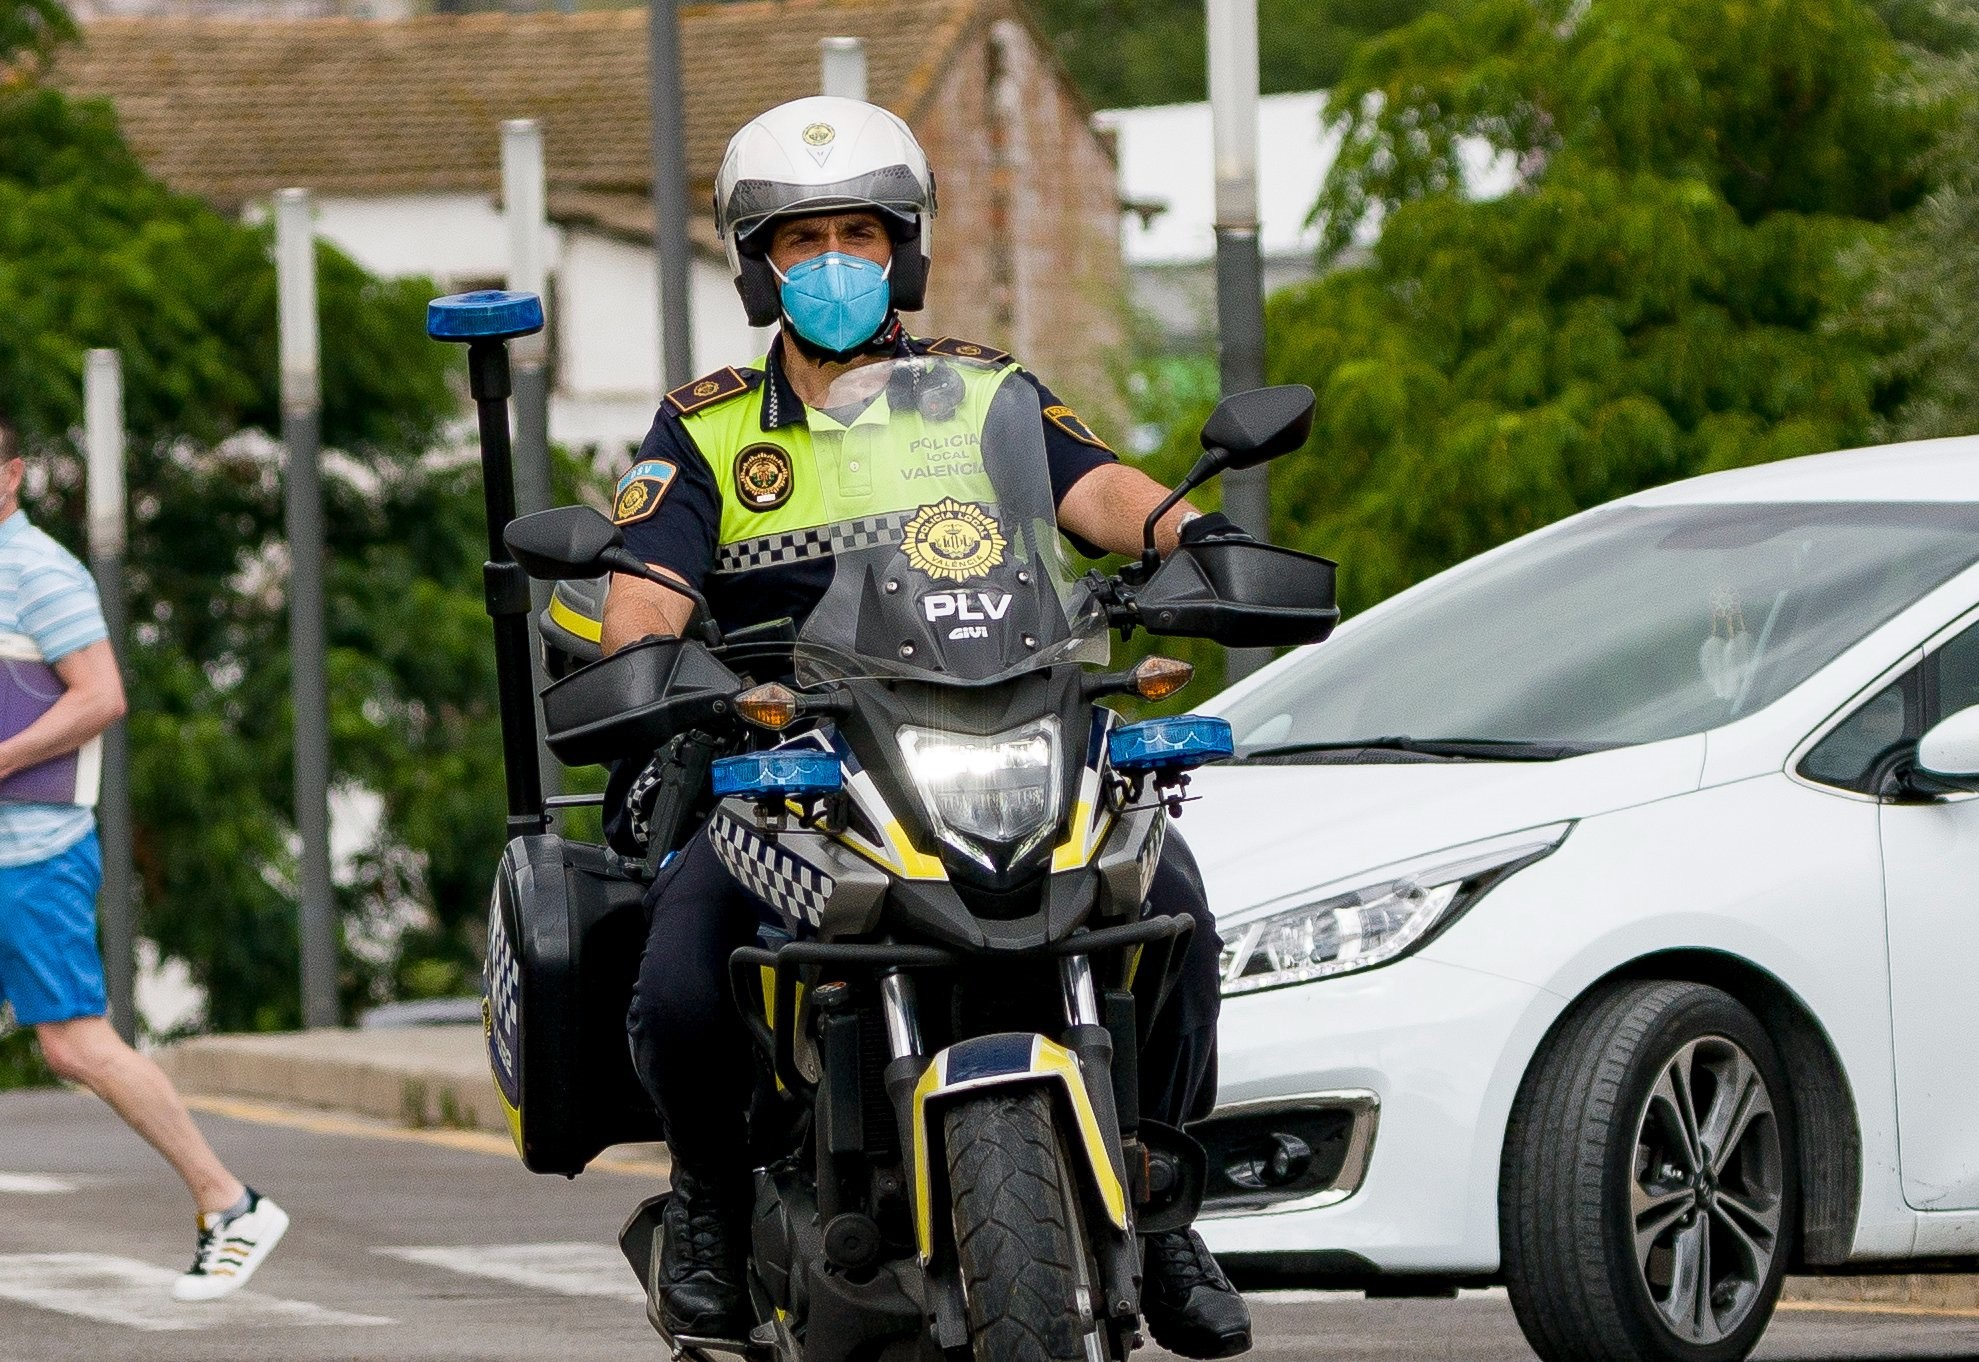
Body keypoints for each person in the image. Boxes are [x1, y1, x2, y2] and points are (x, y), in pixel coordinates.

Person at [611, 97, 1251, 1359]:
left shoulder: (982, 392)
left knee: (1171, 911)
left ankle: (1163, 1195)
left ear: (901, 248)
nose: (833, 262)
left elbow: (1099, 489)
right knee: (683, 969)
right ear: (759, 264)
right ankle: (707, 1207)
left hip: (1004, 721)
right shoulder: (707, 426)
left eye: (858, 233)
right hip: (794, 760)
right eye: (803, 241)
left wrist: (1194, 537)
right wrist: (650, 649)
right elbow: (646, 586)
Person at [0, 420, 288, 1301]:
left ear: (11, 475)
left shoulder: (40, 572)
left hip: (32, 855)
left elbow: (101, 696)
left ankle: (229, 1202)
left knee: (76, 1044)